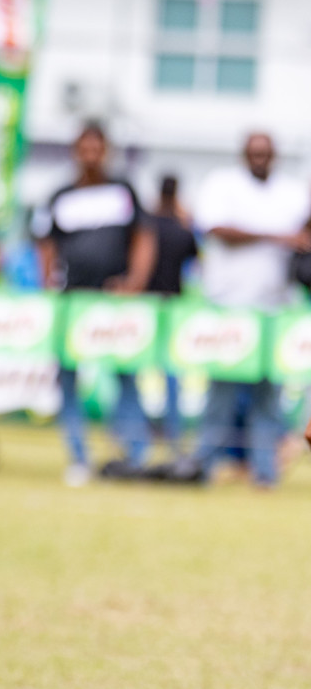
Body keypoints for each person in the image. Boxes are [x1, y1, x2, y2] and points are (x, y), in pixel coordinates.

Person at [174, 133, 311, 487]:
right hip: (228, 306)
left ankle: (265, 472)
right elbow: (215, 228)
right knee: (220, 394)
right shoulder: (223, 184)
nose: (260, 158)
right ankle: (203, 466)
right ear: (244, 155)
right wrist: (278, 237)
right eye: (254, 152)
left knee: (268, 396)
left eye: (265, 153)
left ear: (274, 155)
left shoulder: (292, 192)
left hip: (276, 308)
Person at [30, 124, 157, 486]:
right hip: (72, 300)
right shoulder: (60, 195)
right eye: (84, 149)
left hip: (114, 302)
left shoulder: (123, 190)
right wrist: (48, 284)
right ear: (75, 151)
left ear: (106, 151)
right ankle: (79, 457)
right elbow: (45, 243)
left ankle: (135, 457)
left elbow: (144, 238)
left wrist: (135, 282)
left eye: (96, 149)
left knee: (125, 377)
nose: (90, 156)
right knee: (68, 379)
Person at [146, 175, 198, 459]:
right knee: (171, 377)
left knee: (132, 374)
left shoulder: (149, 225)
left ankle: (139, 438)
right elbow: (195, 257)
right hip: (172, 306)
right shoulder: (182, 230)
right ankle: (174, 439)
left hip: (145, 306)